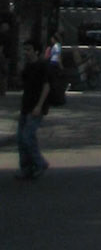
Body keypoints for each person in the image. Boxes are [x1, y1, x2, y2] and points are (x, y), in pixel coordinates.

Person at [16, 40, 49, 180]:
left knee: (27, 136)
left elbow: (46, 87)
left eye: (28, 49)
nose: (26, 52)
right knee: (20, 138)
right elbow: (22, 84)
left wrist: (39, 106)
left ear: (36, 51)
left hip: (36, 108)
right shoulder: (28, 66)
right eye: (25, 50)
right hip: (25, 106)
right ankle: (26, 167)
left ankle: (40, 163)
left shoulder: (42, 66)